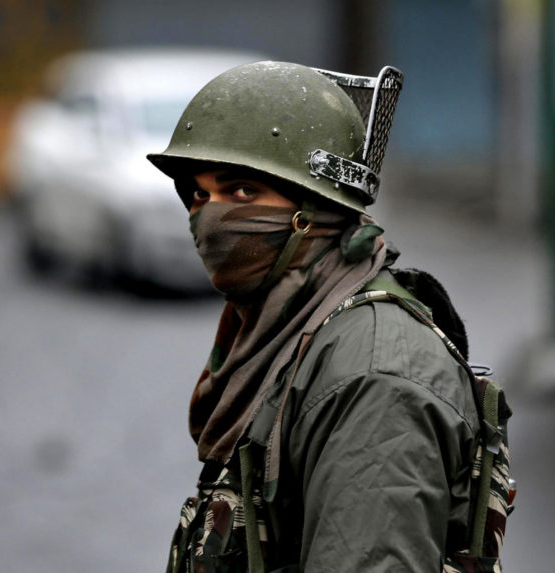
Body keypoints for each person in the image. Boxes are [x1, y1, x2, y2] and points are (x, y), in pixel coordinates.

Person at [148, 61, 483, 572]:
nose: (210, 218)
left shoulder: (374, 376)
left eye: (241, 191)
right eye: (198, 194)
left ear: (315, 212)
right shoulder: (283, 333)